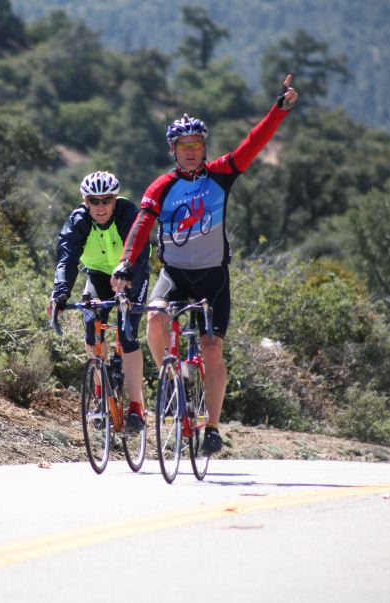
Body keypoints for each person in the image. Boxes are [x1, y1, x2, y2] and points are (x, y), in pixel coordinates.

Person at [111, 74, 299, 454]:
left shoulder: (221, 174)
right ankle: (171, 378)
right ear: (173, 150)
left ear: (204, 147)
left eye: (197, 145)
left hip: (213, 279)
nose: (191, 152)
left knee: (212, 349)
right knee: (155, 319)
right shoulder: (161, 187)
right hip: (175, 275)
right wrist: (125, 266)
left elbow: (253, 143)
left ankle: (212, 427)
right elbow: (142, 226)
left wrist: (279, 110)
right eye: (184, 146)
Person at [50, 171, 151, 432]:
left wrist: (127, 277)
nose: (101, 206)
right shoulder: (79, 220)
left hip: (131, 272)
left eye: (107, 200)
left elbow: (139, 252)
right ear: (86, 201)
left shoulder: (128, 212)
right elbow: (67, 258)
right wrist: (60, 293)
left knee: (127, 336)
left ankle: (136, 408)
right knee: (91, 328)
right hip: (97, 274)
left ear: (115, 199)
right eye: (94, 201)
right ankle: (99, 388)